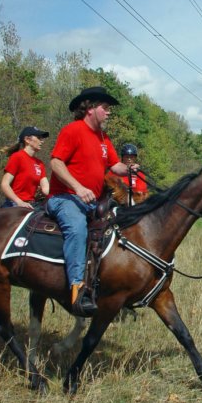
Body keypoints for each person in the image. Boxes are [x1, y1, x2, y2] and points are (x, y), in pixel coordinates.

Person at [47, 86, 139, 317]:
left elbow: (115, 166)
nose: (109, 113)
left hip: (91, 202)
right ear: (89, 109)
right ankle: (76, 288)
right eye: (105, 108)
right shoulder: (73, 131)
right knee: (77, 230)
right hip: (64, 198)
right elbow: (56, 163)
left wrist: (130, 169)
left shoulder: (103, 138)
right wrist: (77, 187)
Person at [0, 126, 50, 209]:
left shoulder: (40, 163)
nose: (42, 141)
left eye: (42, 138)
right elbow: (5, 184)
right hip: (14, 204)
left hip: (31, 204)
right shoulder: (17, 157)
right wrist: (19, 202)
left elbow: (46, 189)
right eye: (39, 138)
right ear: (27, 140)